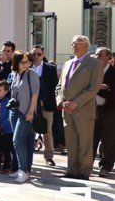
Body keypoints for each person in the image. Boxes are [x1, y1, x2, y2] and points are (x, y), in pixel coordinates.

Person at [55, 35, 102, 180]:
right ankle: (72, 170)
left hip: (84, 110)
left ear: (86, 46)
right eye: (73, 43)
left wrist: (76, 102)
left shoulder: (95, 63)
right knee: (71, 142)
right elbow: (59, 87)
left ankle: (84, 171)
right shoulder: (68, 63)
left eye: (78, 43)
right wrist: (61, 102)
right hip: (67, 110)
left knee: (85, 143)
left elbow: (93, 88)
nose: (74, 45)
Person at [8, 50, 40, 184]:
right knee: (25, 141)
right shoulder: (14, 74)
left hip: (26, 112)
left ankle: (23, 170)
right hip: (14, 112)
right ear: (17, 62)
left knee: (17, 141)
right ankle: (25, 169)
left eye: (27, 61)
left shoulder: (31, 74)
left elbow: (35, 94)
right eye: (23, 62)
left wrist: (31, 112)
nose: (26, 64)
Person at [30, 45, 59, 167]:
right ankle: (28, 157)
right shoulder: (27, 67)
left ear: (43, 55)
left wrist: (43, 100)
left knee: (47, 130)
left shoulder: (51, 69)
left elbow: (54, 87)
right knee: (29, 130)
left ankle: (49, 157)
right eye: (34, 54)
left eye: (38, 54)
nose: (36, 56)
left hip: (46, 104)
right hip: (30, 104)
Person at [95, 47, 114, 178]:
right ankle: (87, 165)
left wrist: (105, 88)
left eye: (100, 55)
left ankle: (106, 166)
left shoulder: (113, 72)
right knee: (92, 138)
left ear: (108, 57)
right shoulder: (92, 71)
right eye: (96, 55)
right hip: (93, 110)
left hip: (110, 111)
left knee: (108, 140)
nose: (97, 57)